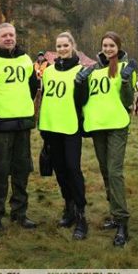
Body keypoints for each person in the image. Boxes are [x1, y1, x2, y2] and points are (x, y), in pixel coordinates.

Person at [0, 22, 39, 233]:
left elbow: (32, 87)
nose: (9, 38)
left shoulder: (26, 59)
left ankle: (19, 212)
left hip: (22, 124)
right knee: (0, 171)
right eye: (4, 36)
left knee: (22, 170)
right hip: (0, 125)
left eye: (11, 34)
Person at [79, 31, 136, 246]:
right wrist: (80, 83)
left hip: (116, 126)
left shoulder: (125, 68)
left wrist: (126, 81)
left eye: (112, 45)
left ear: (118, 47)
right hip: (97, 127)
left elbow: (128, 100)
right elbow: (87, 98)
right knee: (105, 171)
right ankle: (114, 213)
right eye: (105, 45)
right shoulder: (93, 70)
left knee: (114, 172)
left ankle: (122, 222)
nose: (108, 48)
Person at [38, 32, 89, 240]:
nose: (61, 49)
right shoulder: (49, 71)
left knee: (73, 169)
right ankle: (68, 208)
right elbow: (47, 99)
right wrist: (43, 128)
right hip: (52, 128)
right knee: (59, 170)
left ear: (72, 45)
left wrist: (80, 85)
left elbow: (83, 100)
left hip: (71, 127)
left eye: (65, 45)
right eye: (58, 46)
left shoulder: (81, 71)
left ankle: (81, 214)